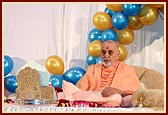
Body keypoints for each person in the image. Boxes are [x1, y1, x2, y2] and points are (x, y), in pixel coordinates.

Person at [59, 40, 140, 107]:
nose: (106, 55)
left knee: (117, 97)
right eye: (103, 52)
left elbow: (136, 92)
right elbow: (80, 90)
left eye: (110, 52)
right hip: (91, 102)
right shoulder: (93, 69)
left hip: (113, 102)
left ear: (117, 55)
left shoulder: (127, 70)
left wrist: (119, 91)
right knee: (64, 94)